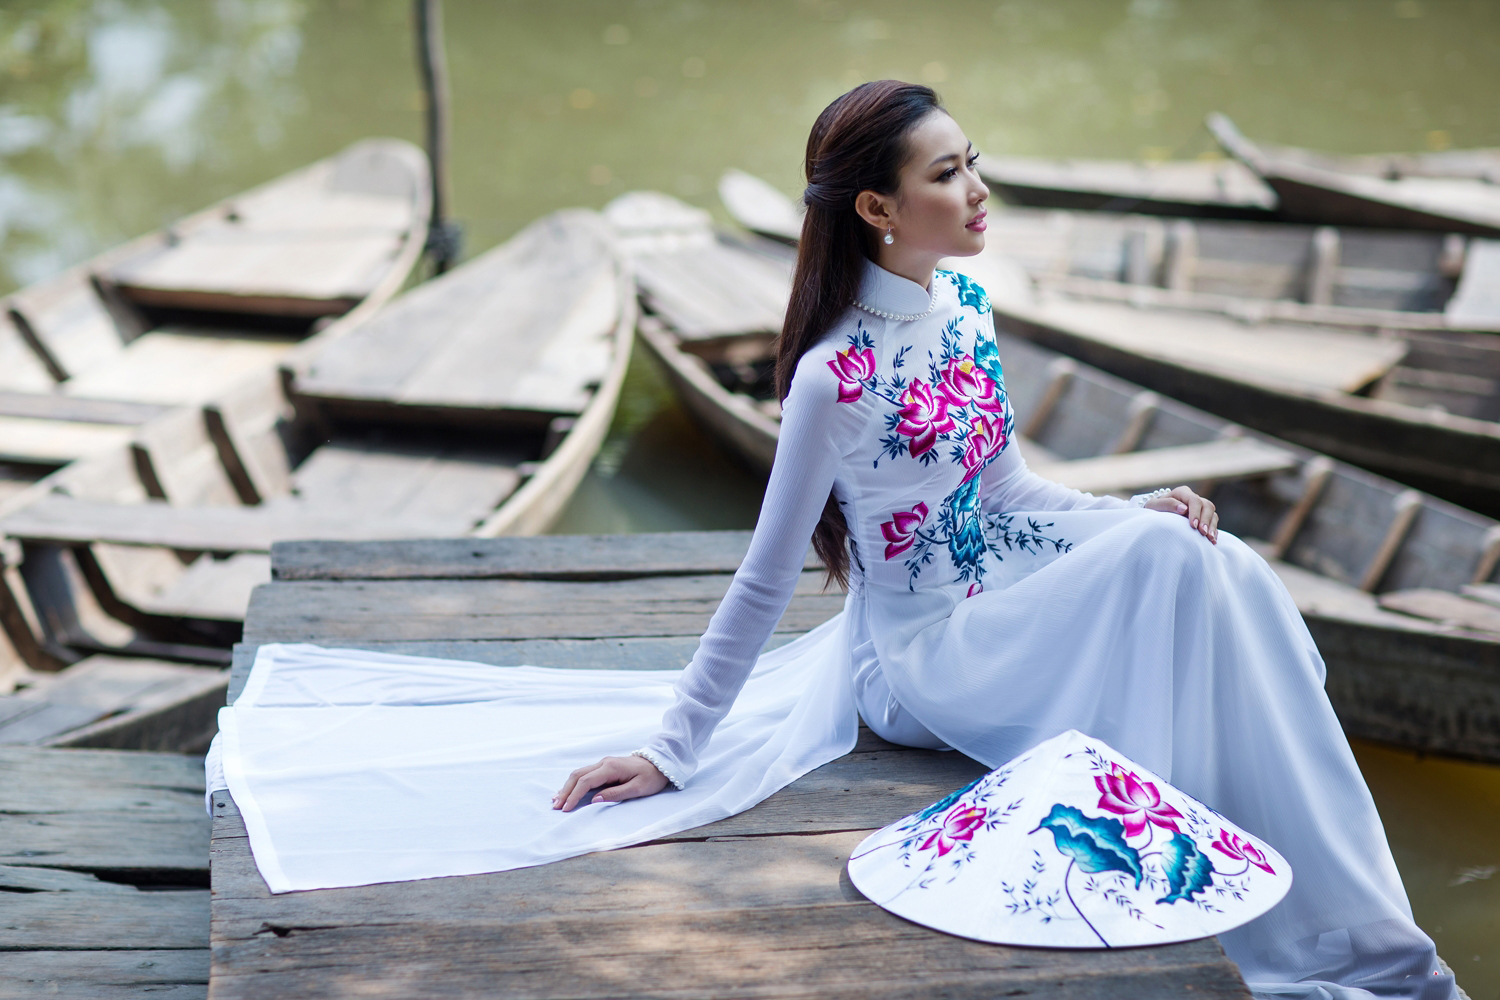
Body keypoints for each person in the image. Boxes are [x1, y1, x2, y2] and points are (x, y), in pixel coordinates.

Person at [554, 82, 1453, 1000]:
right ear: (877, 208)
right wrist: (672, 749)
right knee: (1166, 562)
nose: (978, 187)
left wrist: (1133, 511)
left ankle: (1337, 909)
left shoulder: (968, 304)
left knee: (1207, 553)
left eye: (973, 161)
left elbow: (1011, 489)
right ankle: (1164, 873)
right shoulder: (834, 377)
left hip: (1003, 595)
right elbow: (763, 576)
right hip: (921, 656)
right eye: (947, 173)